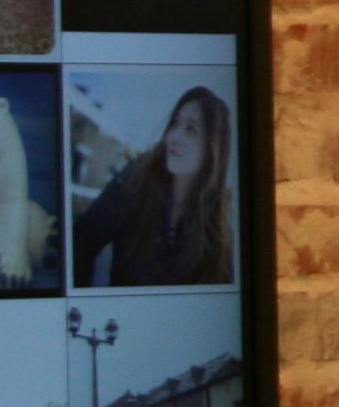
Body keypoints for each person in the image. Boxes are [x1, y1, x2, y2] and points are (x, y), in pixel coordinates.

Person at [69, 85, 234, 287]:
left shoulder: (218, 226)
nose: (175, 137)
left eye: (191, 129)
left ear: (211, 150)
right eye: (175, 123)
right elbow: (82, 242)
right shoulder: (135, 182)